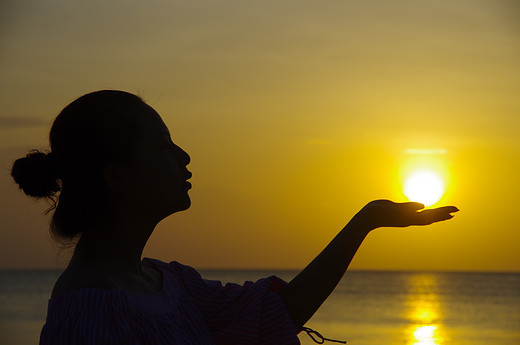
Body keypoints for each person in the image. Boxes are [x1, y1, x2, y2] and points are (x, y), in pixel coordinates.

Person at [11, 90, 459, 344]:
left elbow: (277, 312)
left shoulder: (170, 284)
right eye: (165, 147)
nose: (185, 157)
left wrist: (366, 222)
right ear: (118, 177)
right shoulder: (91, 311)